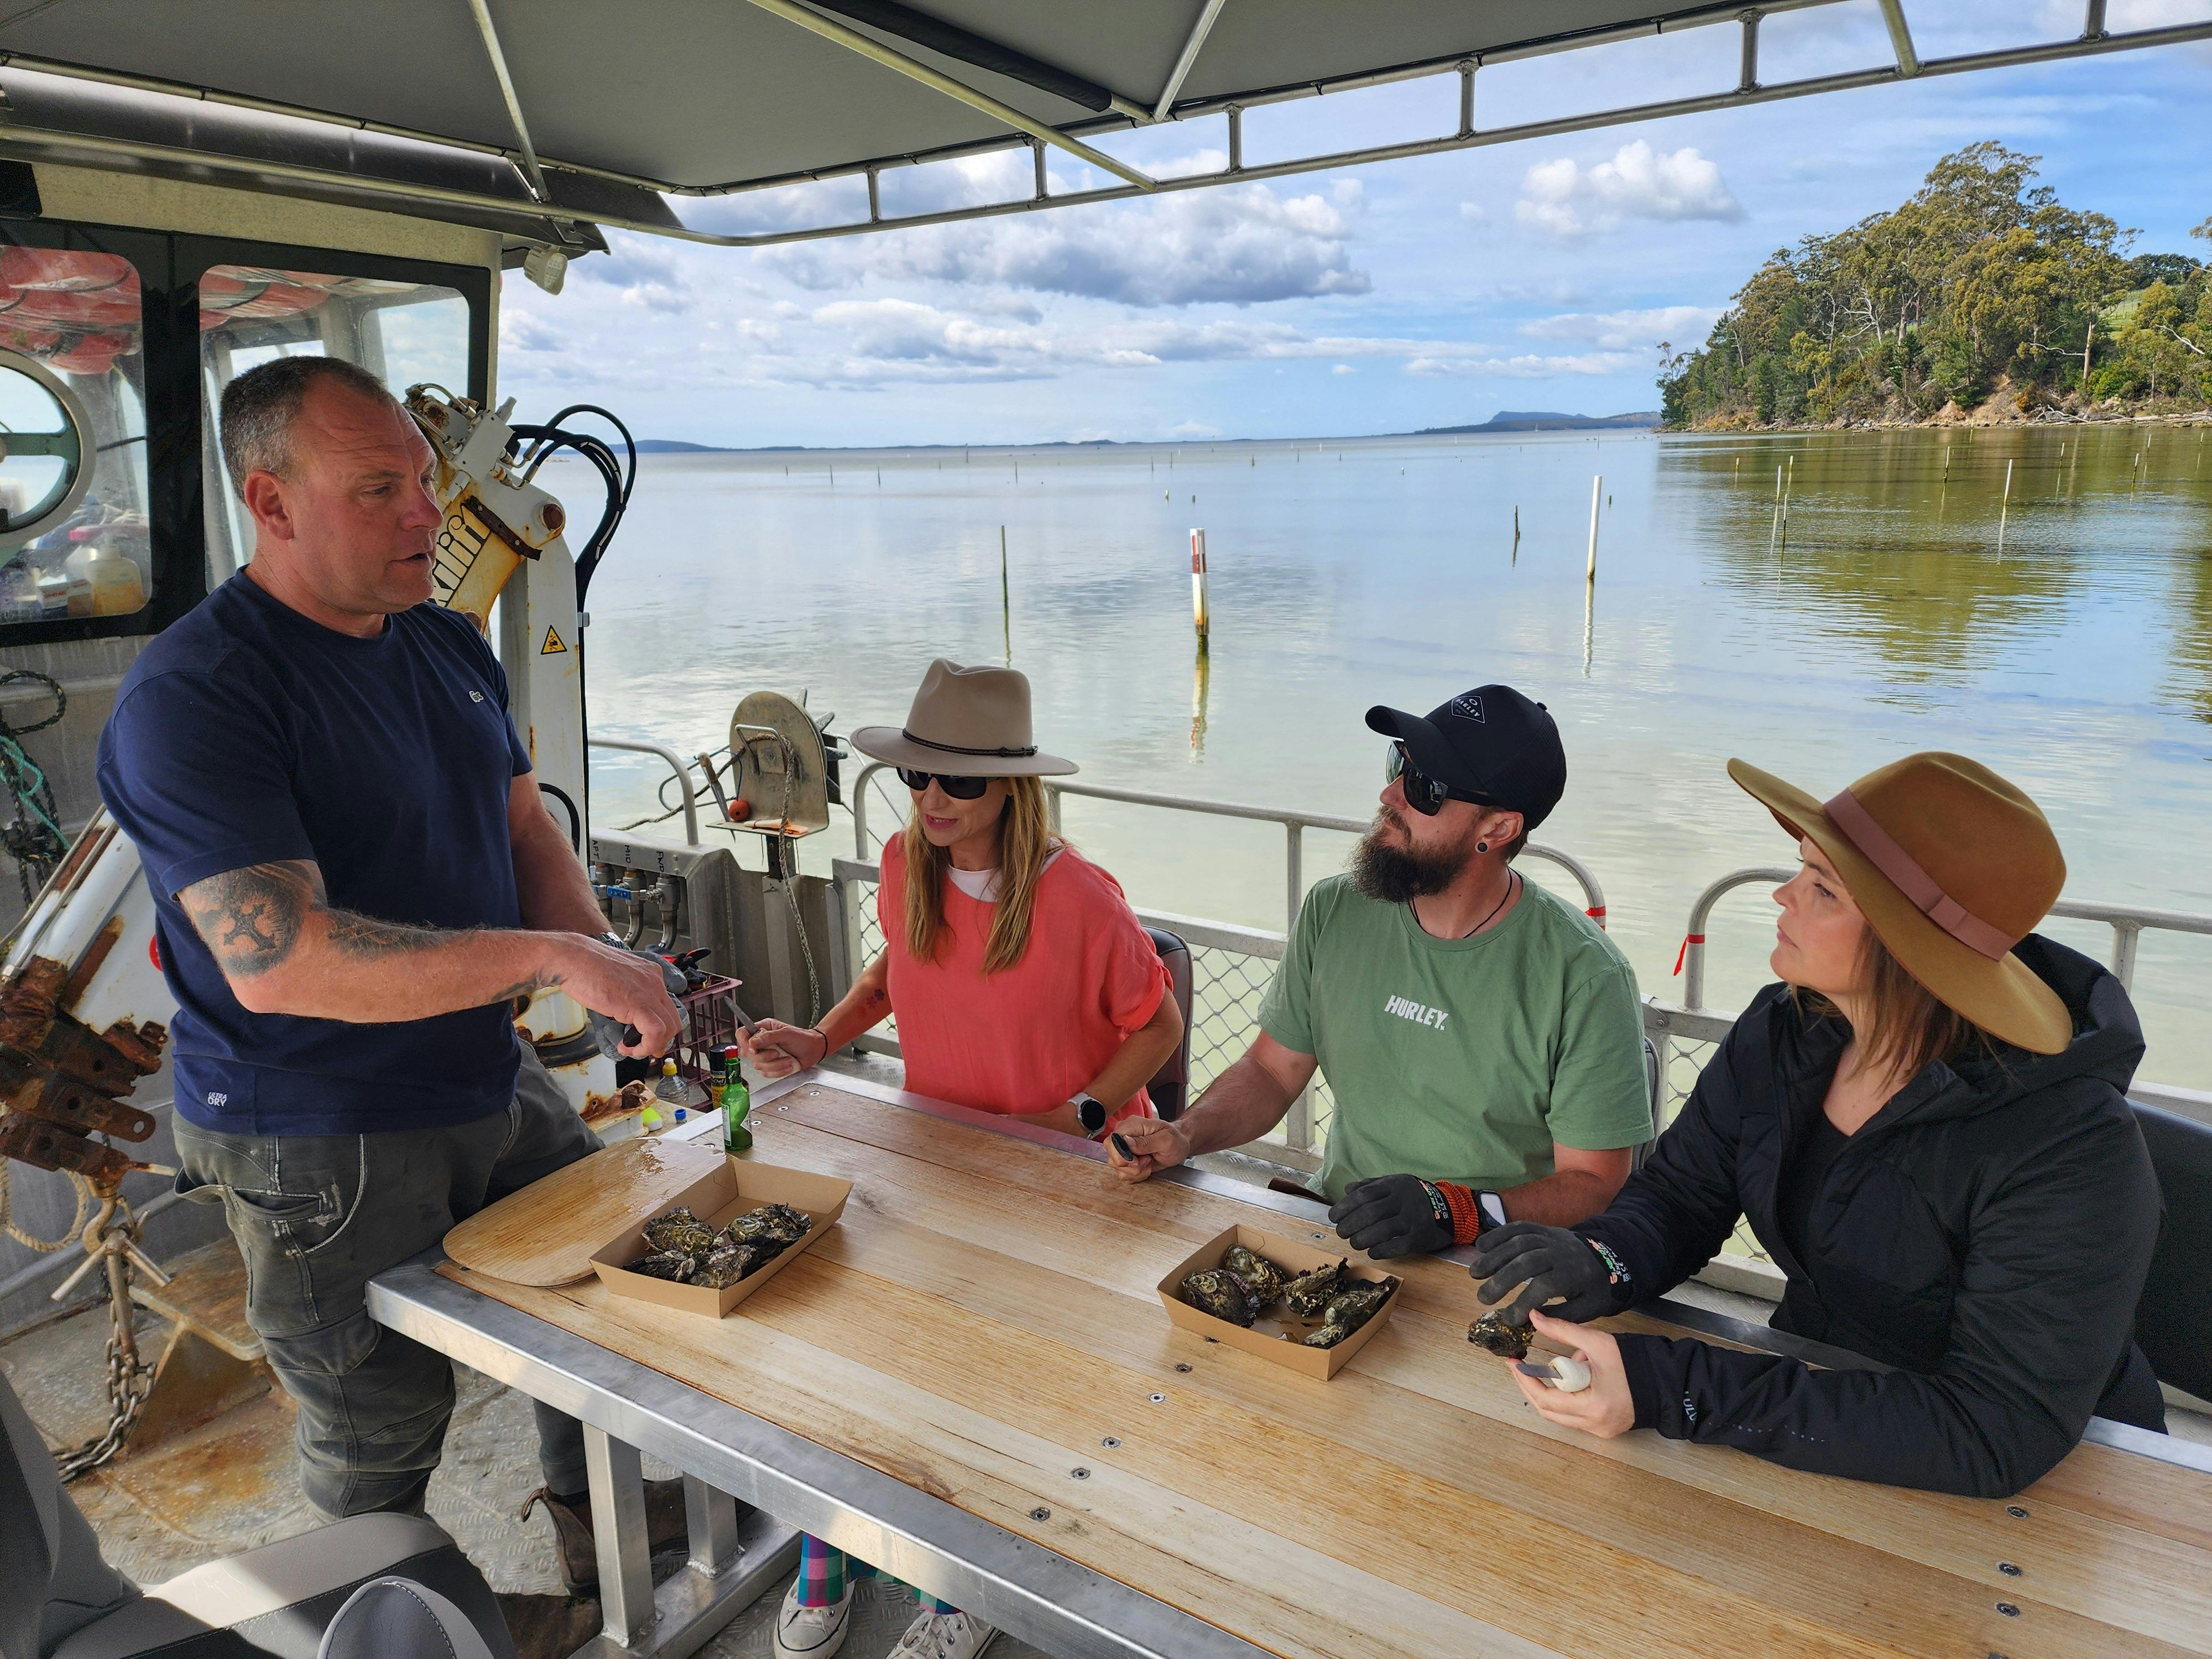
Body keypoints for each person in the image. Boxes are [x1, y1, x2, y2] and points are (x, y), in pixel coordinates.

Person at [95, 358, 686, 1626]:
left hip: (483, 1070)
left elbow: (519, 824)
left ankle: (612, 1549)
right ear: (270, 500)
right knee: (379, 1422)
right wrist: (551, 960)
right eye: (380, 489)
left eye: (423, 477)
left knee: (594, 1314)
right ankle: (411, 1630)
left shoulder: (441, 638)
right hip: (316, 1126)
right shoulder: (197, 697)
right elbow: (284, 959)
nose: (428, 513)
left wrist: (608, 973)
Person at [1470, 752, 2166, 1498]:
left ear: (1912, 948)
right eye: (1801, 869)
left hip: (2067, 1480)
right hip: (1816, 1398)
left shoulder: (2069, 1146)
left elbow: (1998, 1425)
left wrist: (1676, 1386)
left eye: (1823, 888)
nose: (1782, 895)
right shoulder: (1788, 1029)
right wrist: (1604, 1259)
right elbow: (1682, 1196)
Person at [742, 658, 1182, 1659]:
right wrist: (821, 1039)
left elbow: (1157, 1024)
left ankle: (964, 1586)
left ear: (1012, 788)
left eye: (961, 780)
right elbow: (891, 971)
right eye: (918, 775)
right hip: (934, 1160)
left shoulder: (1082, 898)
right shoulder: (908, 860)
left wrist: (1083, 1114)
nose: (934, 797)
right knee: (882, 1355)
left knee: (1012, 1391)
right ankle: (834, 1545)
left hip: (1063, 1185)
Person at [1110, 684, 1652, 1256]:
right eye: (1399, 763)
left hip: (1491, 1257)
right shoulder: (1336, 909)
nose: (1389, 794)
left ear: (1497, 830)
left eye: (1424, 787)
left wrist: (1455, 1212)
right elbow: (1272, 1072)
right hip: (1340, 1227)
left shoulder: (1585, 975)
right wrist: (1183, 1134)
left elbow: (1593, 1183)